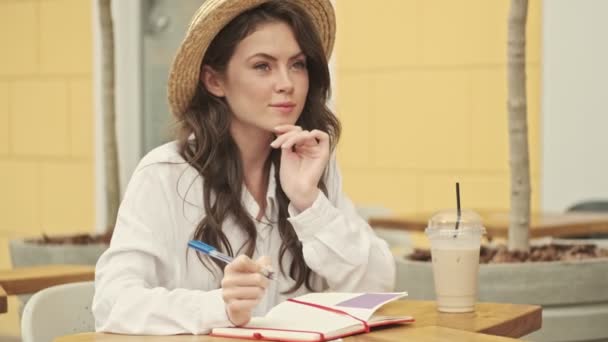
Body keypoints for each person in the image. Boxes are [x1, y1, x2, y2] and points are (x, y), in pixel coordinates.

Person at [92, 0, 395, 335]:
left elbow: (377, 287)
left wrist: (309, 204)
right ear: (214, 81)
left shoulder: (311, 167)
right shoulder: (165, 174)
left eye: (297, 65)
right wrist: (219, 304)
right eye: (263, 66)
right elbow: (112, 302)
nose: (286, 83)